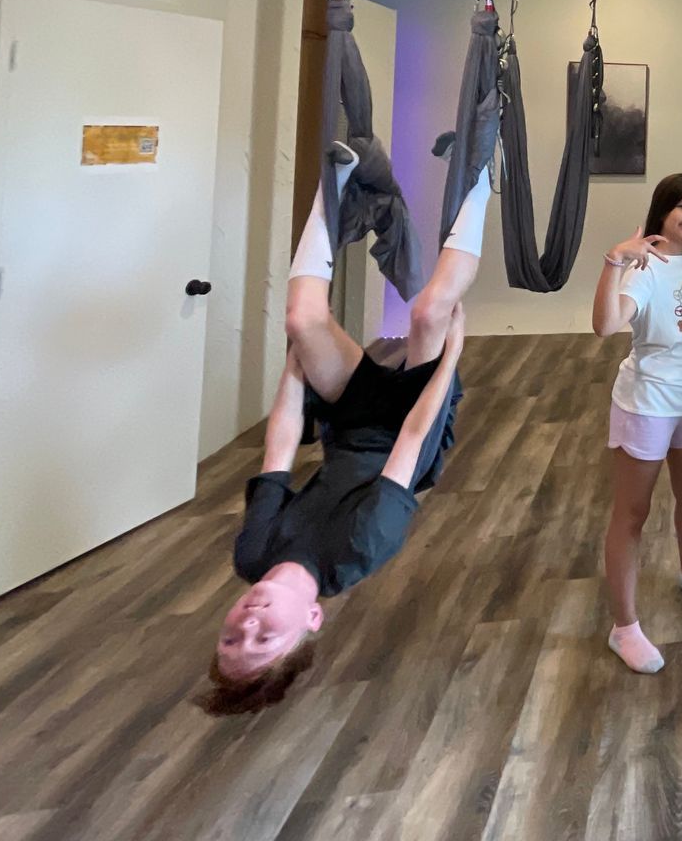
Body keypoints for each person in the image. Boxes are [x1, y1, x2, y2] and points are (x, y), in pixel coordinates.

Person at [208, 142, 487, 714]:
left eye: (232, 636)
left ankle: (334, 183)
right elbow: (412, 440)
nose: (249, 623)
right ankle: (482, 176)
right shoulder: (359, 550)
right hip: (408, 434)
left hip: (354, 426)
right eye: (266, 639)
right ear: (312, 621)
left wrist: (296, 365)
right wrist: (451, 358)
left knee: (301, 318)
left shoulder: (253, 555)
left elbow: (281, 446)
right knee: (430, 312)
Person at [592, 172, 682, 674]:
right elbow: (604, 326)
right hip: (647, 404)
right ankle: (623, 628)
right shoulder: (643, 266)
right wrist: (613, 260)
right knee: (632, 514)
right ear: (663, 209)